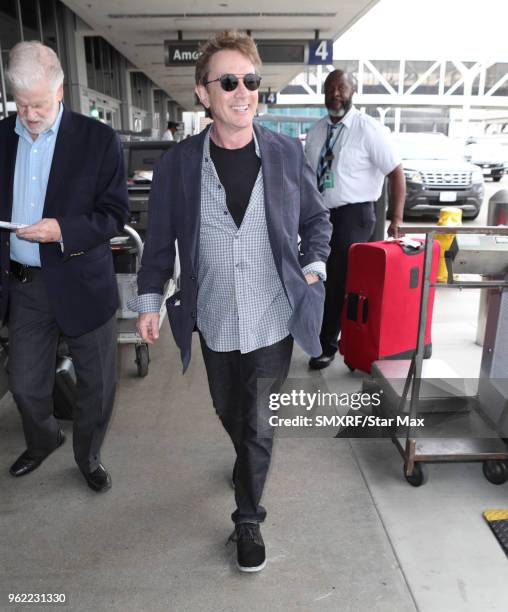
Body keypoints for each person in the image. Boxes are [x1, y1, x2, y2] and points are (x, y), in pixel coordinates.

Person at [132, 30, 331, 573]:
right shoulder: (177, 166)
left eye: (250, 81)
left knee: (259, 421)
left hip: (273, 313)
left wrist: (314, 266)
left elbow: (317, 219)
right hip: (215, 315)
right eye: (228, 82)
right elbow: (159, 243)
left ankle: (248, 517)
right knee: (230, 410)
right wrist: (149, 300)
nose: (242, 92)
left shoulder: (287, 154)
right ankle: (245, 458)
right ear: (203, 93)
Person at [0, 42, 129, 491]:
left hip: (81, 281)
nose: (30, 115)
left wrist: (62, 231)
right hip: (26, 287)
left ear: (59, 91)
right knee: (24, 384)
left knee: (96, 388)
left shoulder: (97, 140)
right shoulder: (1, 136)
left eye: (38, 104)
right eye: (21, 104)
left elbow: (114, 214)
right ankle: (43, 440)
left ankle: (88, 457)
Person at [305, 69, 406, 370]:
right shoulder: (316, 131)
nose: (336, 93)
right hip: (321, 216)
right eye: (330, 88)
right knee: (320, 277)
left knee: (345, 281)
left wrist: (397, 216)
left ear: (352, 91)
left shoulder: (368, 129)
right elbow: (307, 177)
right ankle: (346, 343)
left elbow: (396, 172)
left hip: (356, 215)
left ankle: (332, 346)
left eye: (342, 87)